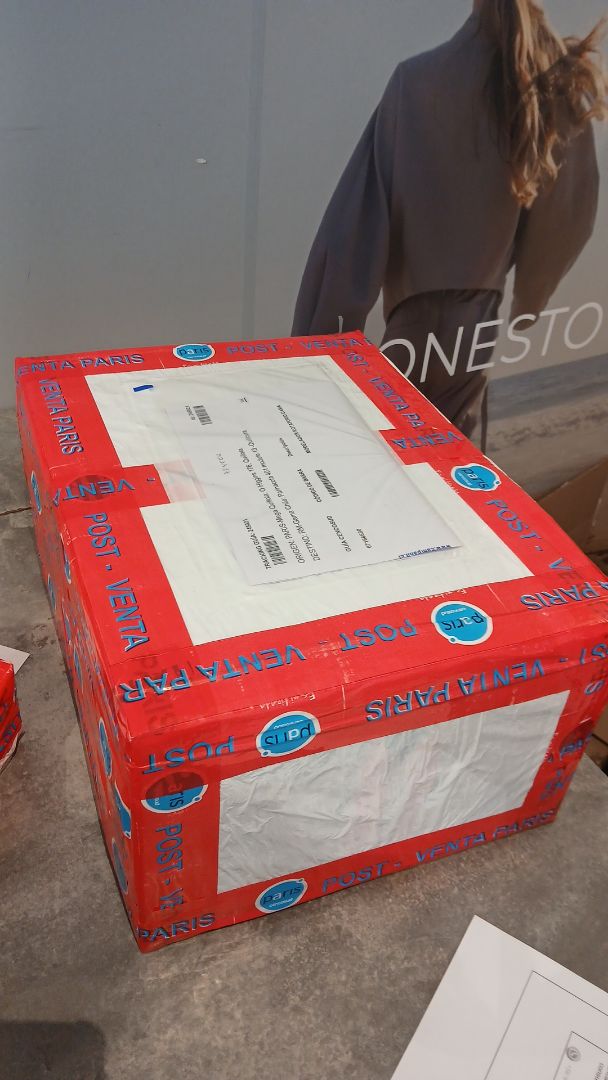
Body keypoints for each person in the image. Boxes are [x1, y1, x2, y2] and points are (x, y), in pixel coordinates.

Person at [292, 0, 607, 448]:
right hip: (473, 334)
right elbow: (569, 219)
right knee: (449, 474)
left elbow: (351, 233)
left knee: (396, 470)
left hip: (411, 334)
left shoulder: (415, 82)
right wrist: (531, 297)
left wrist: (310, 360)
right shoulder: (546, 84)